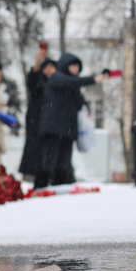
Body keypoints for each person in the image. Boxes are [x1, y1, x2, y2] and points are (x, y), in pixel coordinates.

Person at [34, 54, 108, 188]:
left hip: (67, 130)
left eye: (78, 67)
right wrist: (95, 79)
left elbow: (79, 101)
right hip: (52, 130)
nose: (76, 69)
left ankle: (60, 189)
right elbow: (72, 82)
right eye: (73, 66)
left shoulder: (73, 86)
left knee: (63, 164)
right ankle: (40, 188)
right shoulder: (57, 77)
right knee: (49, 163)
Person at [19, 51, 58, 180]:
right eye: (45, 68)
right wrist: (36, 64)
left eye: (51, 67)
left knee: (51, 156)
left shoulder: (60, 84)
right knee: (34, 154)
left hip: (53, 129)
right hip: (36, 124)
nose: (48, 71)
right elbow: (32, 82)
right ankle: (32, 178)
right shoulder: (38, 84)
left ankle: (51, 177)